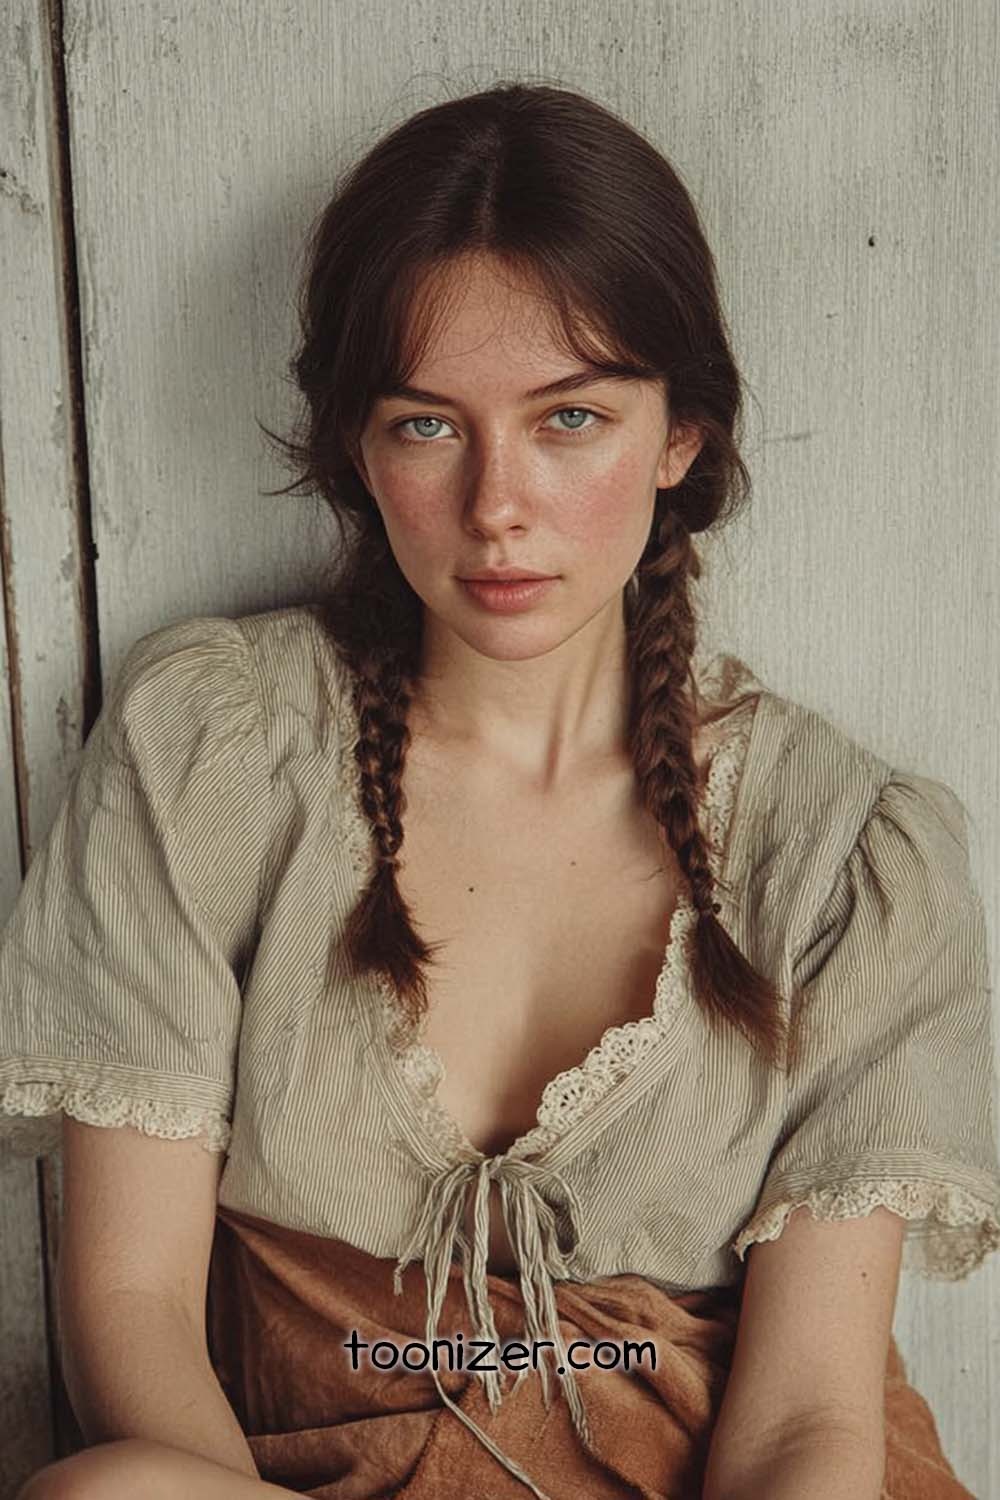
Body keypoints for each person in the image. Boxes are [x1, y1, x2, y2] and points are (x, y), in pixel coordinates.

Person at [3, 81, 999, 1500]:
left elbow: (805, 1429)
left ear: (679, 438)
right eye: (427, 425)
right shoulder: (217, 748)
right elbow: (135, 1310)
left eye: (571, 419)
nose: (497, 506)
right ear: (358, 444)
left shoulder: (844, 856)